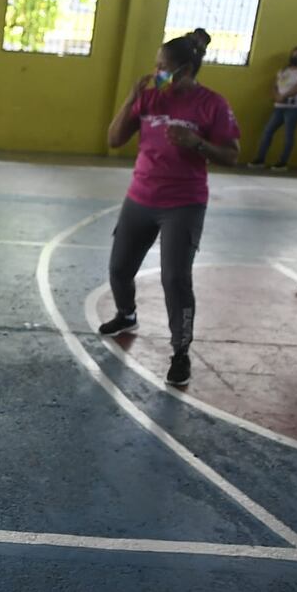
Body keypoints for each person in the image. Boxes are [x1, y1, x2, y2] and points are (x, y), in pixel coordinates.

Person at [99, 35, 241, 387]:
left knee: (175, 279)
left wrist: (198, 144)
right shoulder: (149, 98)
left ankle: (181, 351)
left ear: (186, 70)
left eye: (163, 67)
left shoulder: (213, 105)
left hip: (184, 203)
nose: (157, 72)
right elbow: (114, 139)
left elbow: (233, 154)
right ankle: (126, 313)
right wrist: (131, 99)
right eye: (156, 65)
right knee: (119, 269)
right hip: (141, 197)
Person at [249, 46, 297, 171]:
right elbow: (275, 86)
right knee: (267, 131)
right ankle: (260, 159)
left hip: (294, 108)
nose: (295, 57)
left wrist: (283, 96)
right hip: (279, 107)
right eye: (294, 54)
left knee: (288, 135)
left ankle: (282, 162)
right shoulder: (283, 71)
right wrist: (277, 97)